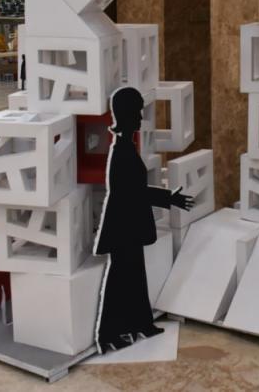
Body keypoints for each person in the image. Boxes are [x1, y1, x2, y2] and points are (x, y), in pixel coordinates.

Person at [94, 87, 193, 353]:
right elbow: (132, 192)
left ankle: (140, 324)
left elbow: (134, 191)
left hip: (129, 227)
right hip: (122, 228)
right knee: (119, 281)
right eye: (137, 112)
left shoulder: (127, 147)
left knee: (135, 277)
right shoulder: (121, 152)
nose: (140, 117)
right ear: (126, 114)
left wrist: (168, 198)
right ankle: (108, 335)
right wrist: (169, 198)